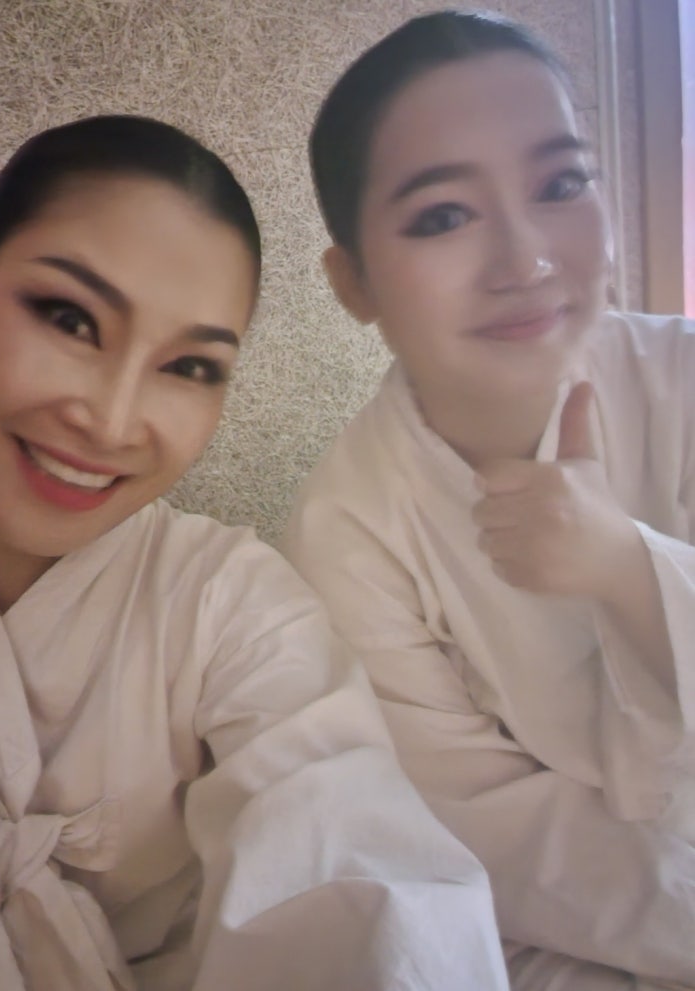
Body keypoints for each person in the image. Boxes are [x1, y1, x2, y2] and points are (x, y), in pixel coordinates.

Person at [0, 114, 510, 991]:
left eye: (189, 367)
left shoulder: (228, 602)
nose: (110, 420)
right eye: (69, 318)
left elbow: (354, 867)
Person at [282, 10, 695, 991]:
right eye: (442, 216)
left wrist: (628, 570)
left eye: (559, 185)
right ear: (352, 283)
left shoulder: (681, 379)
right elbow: (489, 831)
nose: (525, 260)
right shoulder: (347, 528)